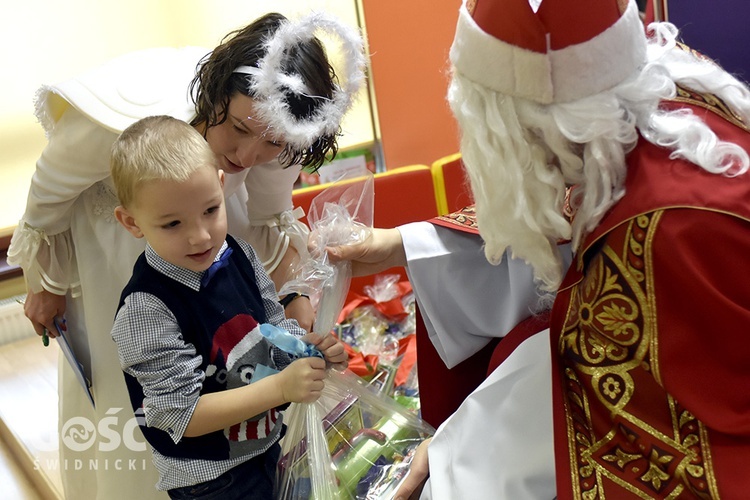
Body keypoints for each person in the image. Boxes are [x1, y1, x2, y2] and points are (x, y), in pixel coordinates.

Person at [329, 0, 750, 497]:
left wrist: (461, 454)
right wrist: (400, 244)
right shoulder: (647, 97)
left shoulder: (660, 230)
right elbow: (557, 224)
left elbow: (629, 416)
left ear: (524, 123)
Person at [7, 11, 364, 499]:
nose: (247, 153)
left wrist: (293, 301)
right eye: (238, 127)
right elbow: (48, 192)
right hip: (118, 247)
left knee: (226, 359)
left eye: (274, 143)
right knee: (134, 385)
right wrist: (42, 285)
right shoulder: (126, 121)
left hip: (217, 238)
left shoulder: (271, 147)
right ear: (219, 94)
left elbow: (269, 218)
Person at [108, 115, 346, 498]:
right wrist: (282, 387)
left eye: (210, 210)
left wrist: (309, 350)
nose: (200, 236)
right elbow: (181, 416)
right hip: (212, 480)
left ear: (222, 187)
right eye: (172, 224)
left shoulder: (239, 254)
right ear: (131, 222)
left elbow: (273, 328)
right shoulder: (146, 310)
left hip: (268, 445)